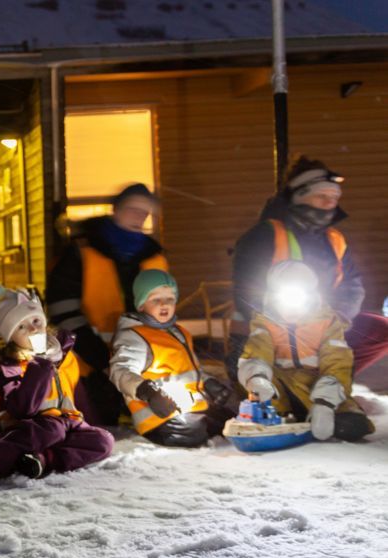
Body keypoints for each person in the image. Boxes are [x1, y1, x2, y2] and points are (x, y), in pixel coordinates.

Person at [232, 156, 388, 375]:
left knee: (380, 330)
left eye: (334, 196)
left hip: (323, 328)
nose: (330, 203)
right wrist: (291, 326)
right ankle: (286, 382)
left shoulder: (334, 240)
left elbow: (352, 287)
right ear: (300, 196)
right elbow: (247, 294)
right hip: (273, 332)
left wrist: (336, 320)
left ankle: (329, 379)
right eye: (322, 196)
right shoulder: (266, 235)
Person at [0, 284, 114, 490]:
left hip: (68, 422)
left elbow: (77, 393)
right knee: (51, 430)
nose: (33, 329)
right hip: (32, 426)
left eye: (36, 321)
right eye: (22, 327)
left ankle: (43, 460)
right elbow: (23, 408)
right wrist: (42, 364)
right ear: (11, 337)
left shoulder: (61, 353)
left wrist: (89, 421)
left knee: (103, 440)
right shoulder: (10, 367)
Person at [45, 183, 169, 426]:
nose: (139, 217)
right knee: (102, 428)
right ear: (116, 210)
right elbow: (63, 311)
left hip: (143, 366)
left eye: (145, 212)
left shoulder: (154, 256)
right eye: (132, 209)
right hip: (89, 368)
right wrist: (103, 361)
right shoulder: (81, 252)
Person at [237, 260, 374, 442]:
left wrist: (325, 402)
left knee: (353, 425)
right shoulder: (265, 323)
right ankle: (279, 417)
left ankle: (322, 413)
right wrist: (257, 378)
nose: (292, 307)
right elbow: (257, 351)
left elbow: (337, 362)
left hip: (317, 386)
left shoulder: (327, 322)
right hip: (281, 389)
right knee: (261, 392)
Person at [110, 270, 237, 447]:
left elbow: (191, 372)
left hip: (192, 407)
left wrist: (208, 383)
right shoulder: (134, 336)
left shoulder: (180, 333)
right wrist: (149, 393)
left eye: (170, 299)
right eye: (156, 299)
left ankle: (206, 422)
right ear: (141, 305)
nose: (164, 304)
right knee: (194, 435)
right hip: (158, 415)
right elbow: (120, 371)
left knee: (233, 423)